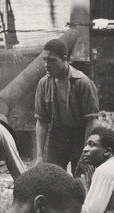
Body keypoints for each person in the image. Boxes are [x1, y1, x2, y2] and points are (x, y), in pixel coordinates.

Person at [34, 39, 99, 174]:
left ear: (64, 59)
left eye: (51, 60)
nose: (46, 65)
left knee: (82, 179)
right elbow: (42, 120)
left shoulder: (83, 83)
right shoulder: (43, 84)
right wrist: (39, 155)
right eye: (44, 60)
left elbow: (91, 121)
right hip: (57, 138)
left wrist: (86, 151)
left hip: (80, 137)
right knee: (53, 180)